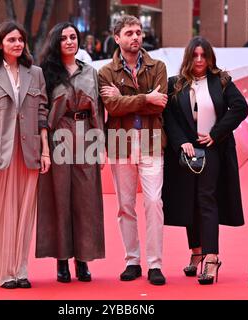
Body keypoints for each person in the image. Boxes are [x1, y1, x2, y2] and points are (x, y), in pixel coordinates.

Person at [0, 21, 51, 289]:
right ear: (0, 43)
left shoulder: (35, 73)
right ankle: (2, 271)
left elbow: (42, 115)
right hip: (1, 153)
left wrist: (46, 151)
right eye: (11, 39)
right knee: (1, 213)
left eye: (20, 40)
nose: (17, 44)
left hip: (30, 152)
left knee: (24, 214)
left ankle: (20, 270)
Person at [162, 36, 248, 285]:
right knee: (190, 200)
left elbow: (241, 108)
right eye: (195, 55)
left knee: (206, 198)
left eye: (204, 55)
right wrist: (181, 142)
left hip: (212, 148)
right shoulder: (175, 83)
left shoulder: (221, 81)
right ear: (189, 57)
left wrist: (216, 133)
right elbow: (169, 116)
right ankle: (196, 251)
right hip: (186, 152)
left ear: (210, 57)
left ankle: (212, 258)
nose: (199, 60)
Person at [99, 15, 168, 286]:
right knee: (125, 206)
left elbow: (160, 104)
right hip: (119, 142)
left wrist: (125, 99)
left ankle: (155, 264)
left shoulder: (158, 66)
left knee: (153, 202)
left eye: (138, 32)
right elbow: (112, 107)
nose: (135, 37)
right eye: (129, 33)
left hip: (151, 140)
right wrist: (144, 98)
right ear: (117, 38)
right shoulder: (105, 72)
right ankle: (132, 260)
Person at [35, 22, 105, 283]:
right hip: (58, 137)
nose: (69, 42)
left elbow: (98, 108)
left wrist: (102, 146)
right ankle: (61, 261)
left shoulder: (90, 72)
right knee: (59, 199)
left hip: (86, 134)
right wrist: (43, 146)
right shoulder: (45, 73)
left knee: (86, 201)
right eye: (63, 38)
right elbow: (41, 111)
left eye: (73, 37)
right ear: (56, 42)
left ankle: (83, 261)